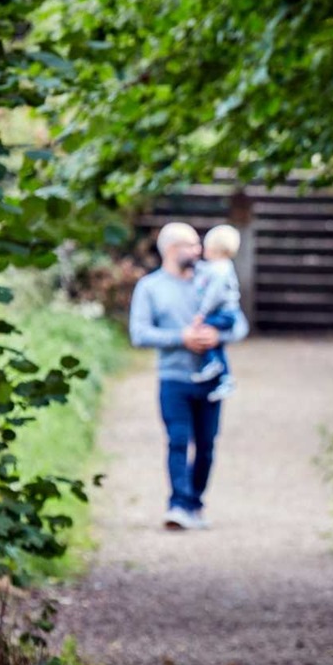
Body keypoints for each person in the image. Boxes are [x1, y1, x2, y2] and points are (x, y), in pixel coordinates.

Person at [129, 221, 249, 531]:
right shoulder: (150, 287)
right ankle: (177, 505)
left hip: (210, 381)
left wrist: (217, 336)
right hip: (173, 379)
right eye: (192, 245)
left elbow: (239, 325)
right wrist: (181, 338)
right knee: (178, 440)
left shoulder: (211, 279)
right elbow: (139, 333)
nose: (199, 251)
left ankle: (195, 503)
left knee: (207, 446)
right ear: (171, 249)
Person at [189, 224, 242, 403]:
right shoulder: (221, 266)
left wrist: (202, 313)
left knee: (203, 330)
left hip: (224, 313)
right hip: (228, 312)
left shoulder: (220, 269)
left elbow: (213, 294)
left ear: (214, 248)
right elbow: (203, 269)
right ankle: (225, 377)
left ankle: (212, 363)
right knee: (216, 343)